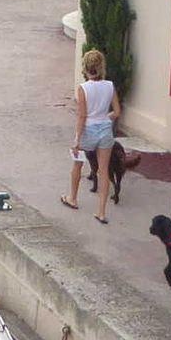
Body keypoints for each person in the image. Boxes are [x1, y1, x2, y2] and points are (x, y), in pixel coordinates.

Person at [60, 49, 121, 224]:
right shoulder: (109, 86)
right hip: (105, 130)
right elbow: (117, 112)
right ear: (101, 67)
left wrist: (77, 139)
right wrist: (105, 118)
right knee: (104, 171)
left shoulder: (83, 88)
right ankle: (101, 212)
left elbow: (82, 116)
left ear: (85, 67)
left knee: (78, 165)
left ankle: (72, 198)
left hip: (88, 130)